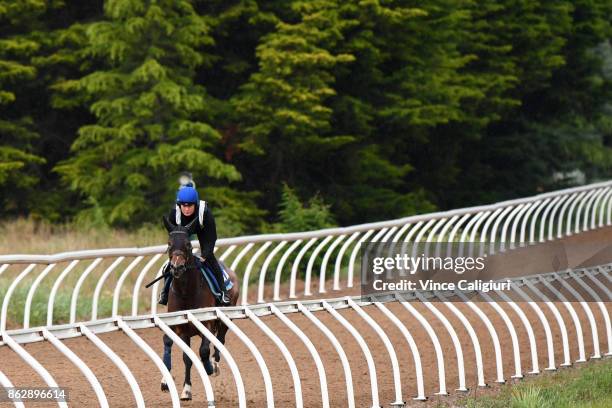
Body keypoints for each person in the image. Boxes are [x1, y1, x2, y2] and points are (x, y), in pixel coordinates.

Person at [158, 185, 230, 305]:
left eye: (190, 206)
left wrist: (205, 255)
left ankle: (223, 292)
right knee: (169, 266)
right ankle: (164, 293)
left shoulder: (205, 213)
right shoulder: (174, 213)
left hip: (203, 231)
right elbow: (173, 238)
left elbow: (212, 238)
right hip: (182, 233)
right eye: (183, 206)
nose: (186, 209)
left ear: (195, 205)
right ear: (179, 205)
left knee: (211, 261)